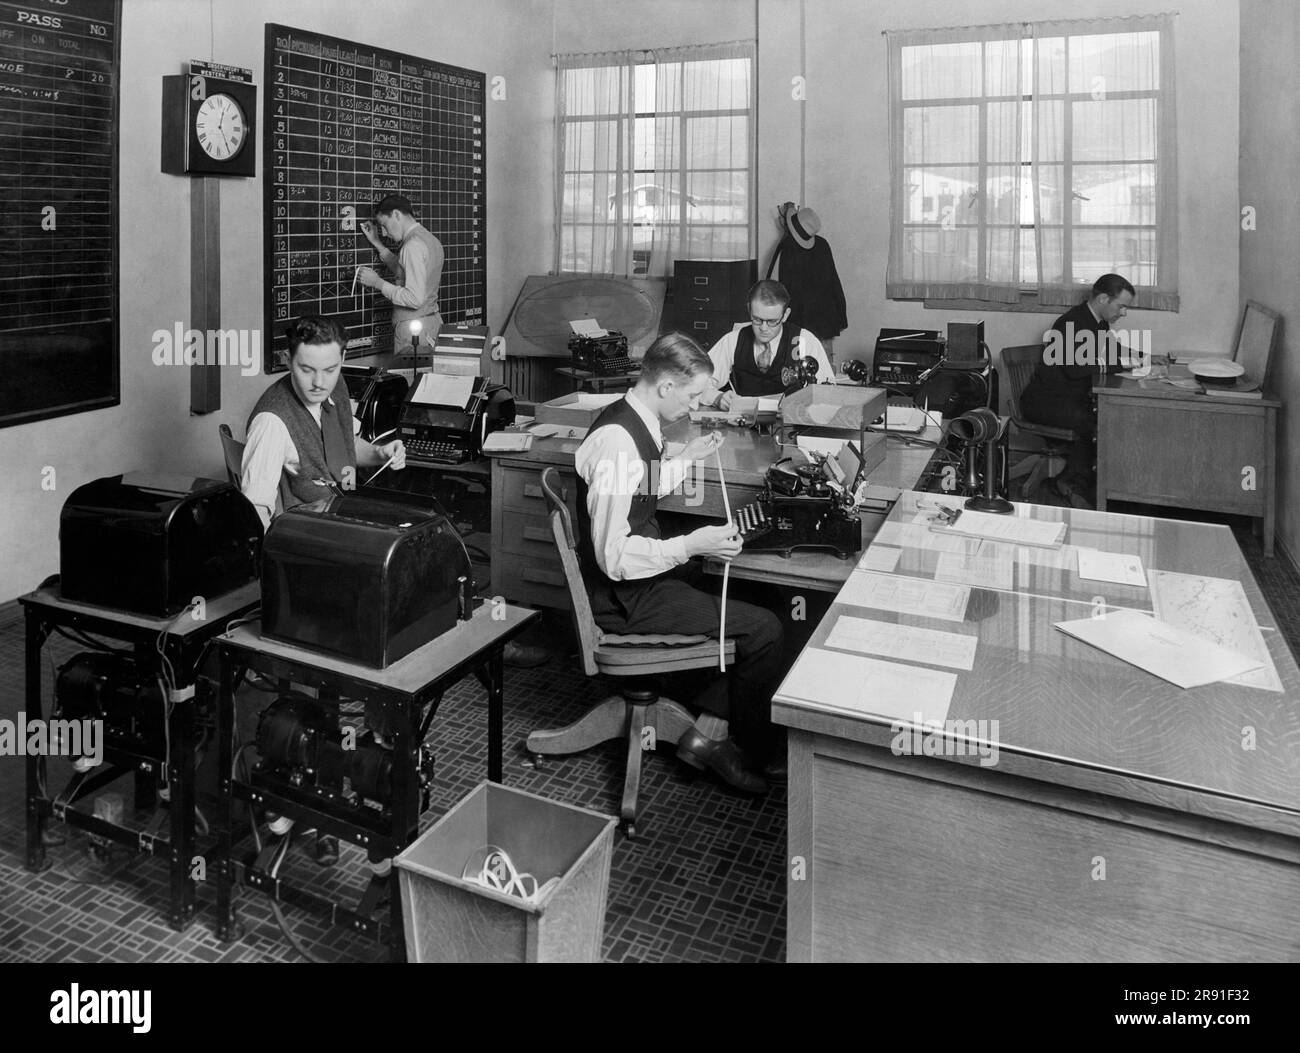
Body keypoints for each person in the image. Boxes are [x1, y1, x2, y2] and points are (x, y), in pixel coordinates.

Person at [574, 332, 785, 793]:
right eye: (692, 396)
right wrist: (691, 545)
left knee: (752, 589)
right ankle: (749, 750)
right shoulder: (617, 441)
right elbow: (614, 557)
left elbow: (639, 484)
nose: (694, 408)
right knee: (765, 628)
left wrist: (685, 458)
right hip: (623, 596)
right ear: (666, 386)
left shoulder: (637, 420)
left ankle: (711, 726)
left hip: (639, 578)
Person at [242, 314, 406, 529]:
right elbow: (256, 510)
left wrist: (379, 453)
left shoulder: (337, 385)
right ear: (288, 360)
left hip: (346, 516)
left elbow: (346, 445)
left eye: (329, 369)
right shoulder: (271, 422)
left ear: (343, 358)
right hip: (308, 536)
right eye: (306, 370)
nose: (319, 383)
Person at [1020, 273, 1136, 506]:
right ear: (1103, 298)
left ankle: (1075, 481)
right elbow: (1075, 369)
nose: (1123, 313)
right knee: (1098, 422)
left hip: (1068, 400)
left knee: (1105, 417)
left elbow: (1113, 349)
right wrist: (1124, 364)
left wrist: (1147, 357)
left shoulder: (1097, 322)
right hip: (1043, 403)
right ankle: (1072, 485)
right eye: (1121, 306)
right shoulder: (1071, 323)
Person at [703, 279, 835, 410]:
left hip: (790, 423)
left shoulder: (803, 340)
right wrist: (717, 398)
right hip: (742, 421)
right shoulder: (733, 340)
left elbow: (827, 391)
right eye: (757, 319)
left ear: (785, 315)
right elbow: (698, 381)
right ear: (749, 309)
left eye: (772, 321)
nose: (764, 328)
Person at [356, 194, 444, 359]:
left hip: (414, 332)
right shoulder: (429, 239)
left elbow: (414, 299)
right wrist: (377, 243)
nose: (383, 232)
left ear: (396, 215)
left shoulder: (411, 247)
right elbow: (406, 271)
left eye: (384, 224)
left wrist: (377, 283)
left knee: (411, 383)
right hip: (432, 324)